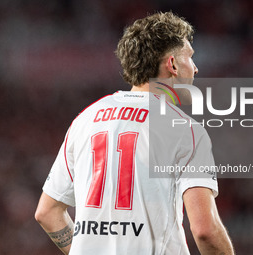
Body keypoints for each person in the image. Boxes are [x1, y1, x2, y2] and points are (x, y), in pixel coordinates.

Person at [35, 11, 234, 255]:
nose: (195, 67)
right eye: (190, 57)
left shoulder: (85, 119)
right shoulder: (186, 130)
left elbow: (47, 212)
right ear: (172, 64)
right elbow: (206, 231)